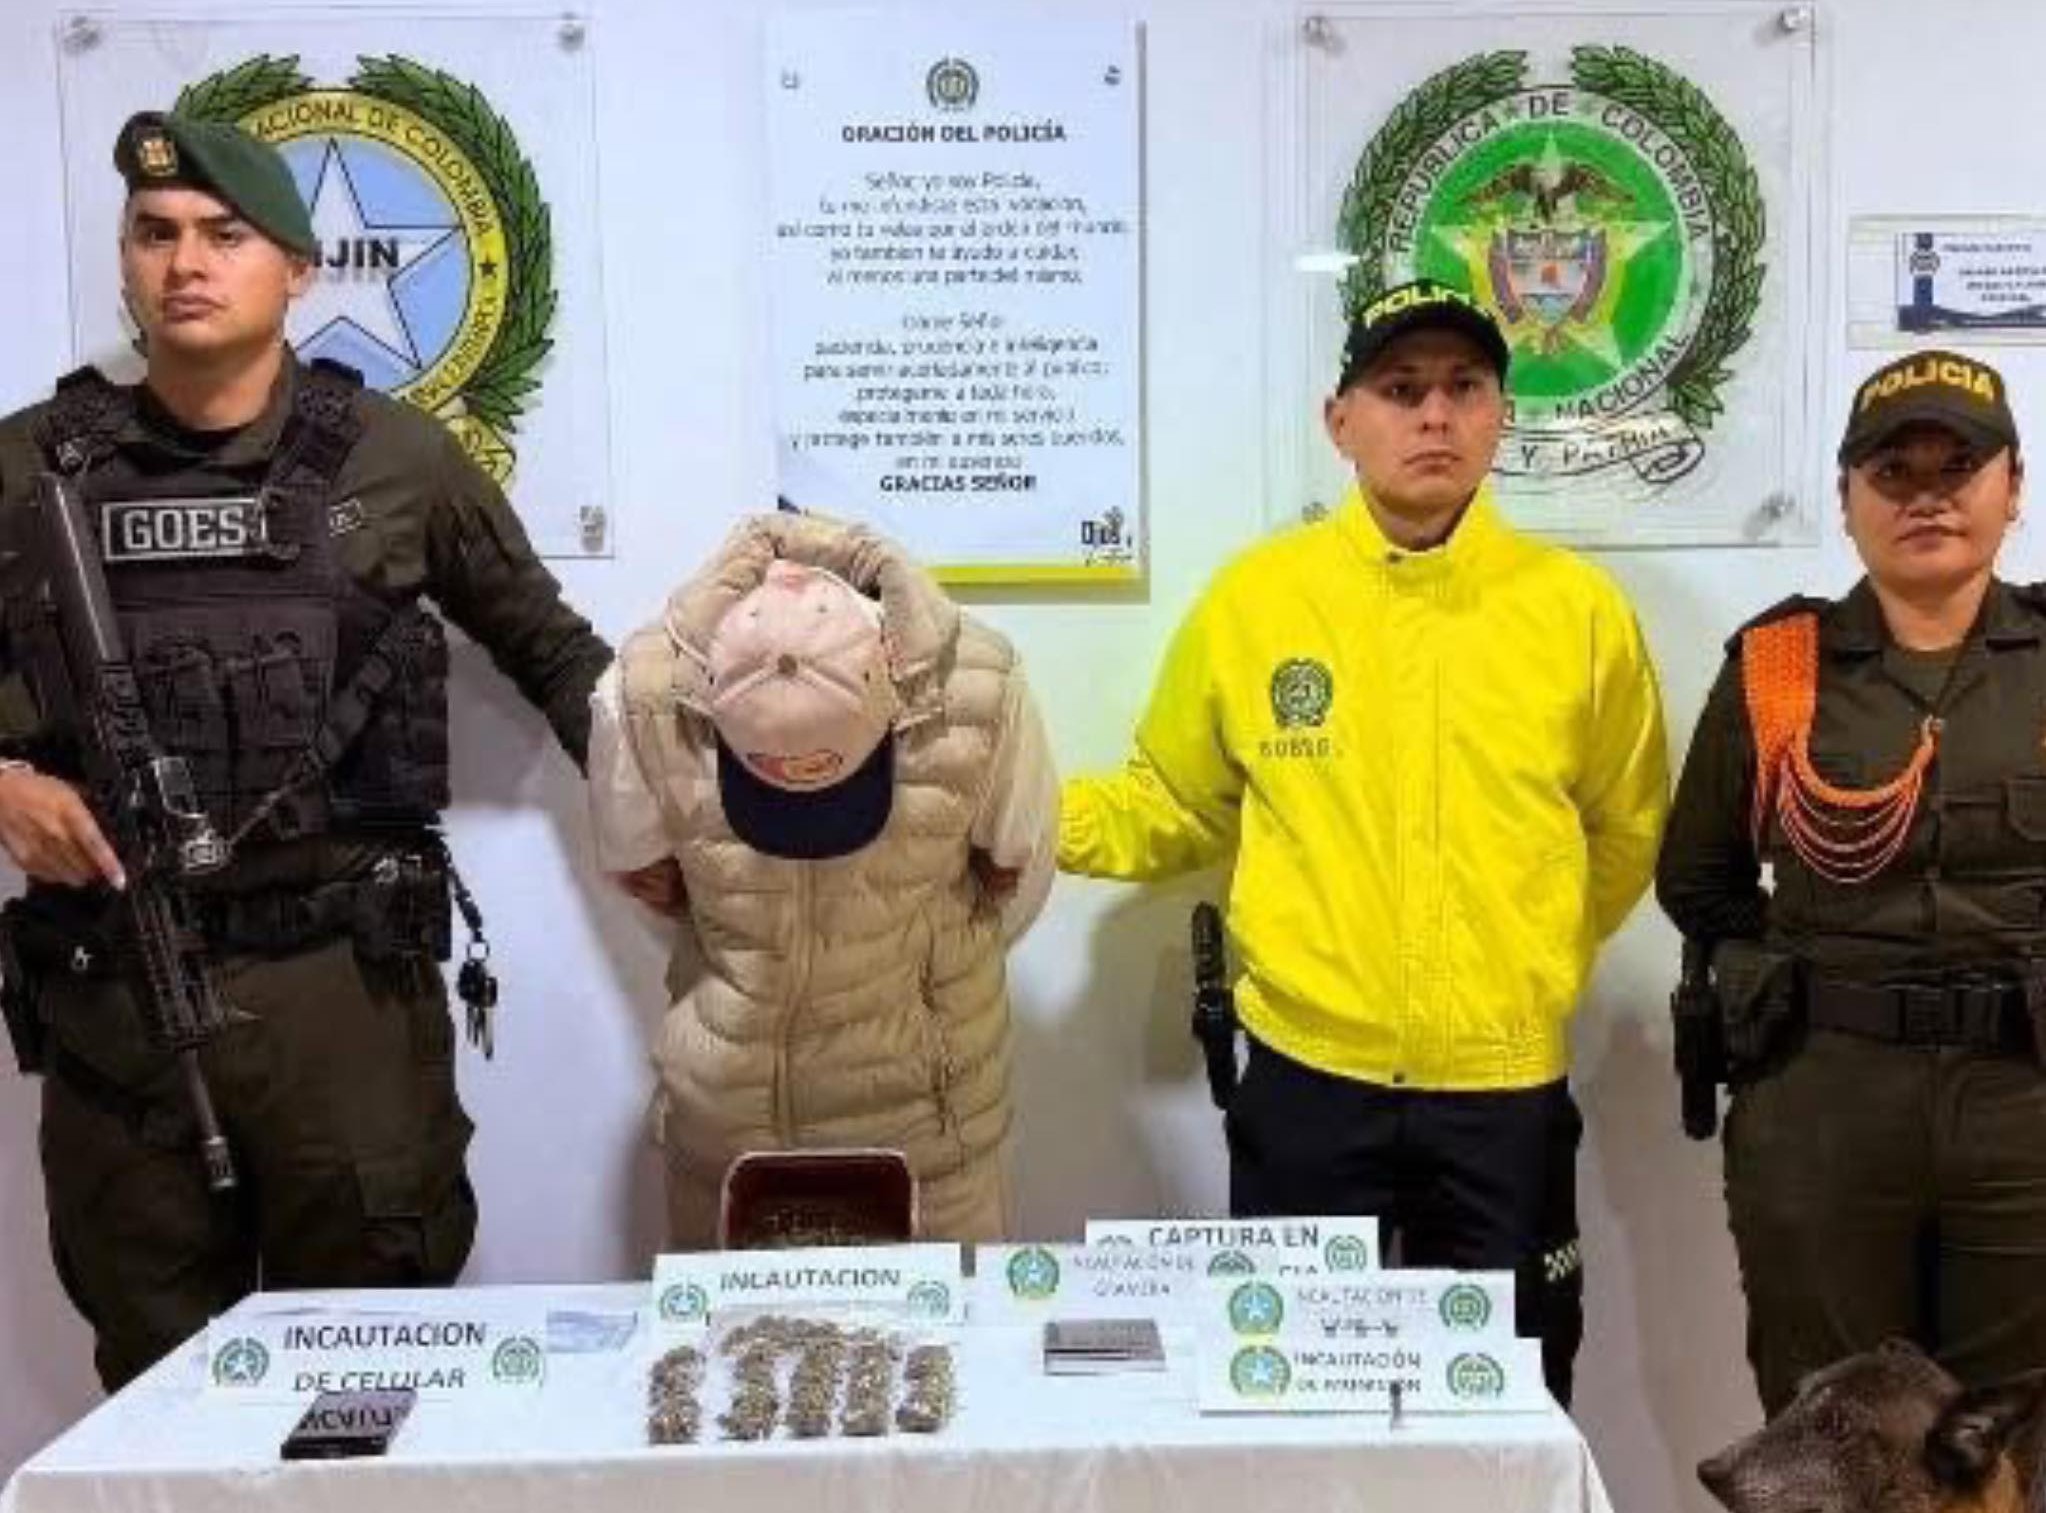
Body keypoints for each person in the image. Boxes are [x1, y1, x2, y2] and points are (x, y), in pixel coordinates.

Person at [0, 110, 612, 1389]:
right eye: (155, 234)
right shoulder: (27, 469)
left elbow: (560, 658)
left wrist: (684, 831)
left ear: (297, 268)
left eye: (224, 235)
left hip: (344, 996)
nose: (185, 262)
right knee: (160, 1393)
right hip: (118, 1002)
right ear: (124, 261)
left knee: (372, 1379)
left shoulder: (397, 458)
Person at [1059, 279, 1670, 1405]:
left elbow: (1627, 827)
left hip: (1501, 1094)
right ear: (1340, 421)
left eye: (1464, 387)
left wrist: (1524, 957)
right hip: (1308, 1084)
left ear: (1500, 416)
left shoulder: (1578, 614)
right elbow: (1174, 801)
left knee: (1507, 1404)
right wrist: (1019, 821)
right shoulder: (1258, 603)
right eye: (1400, 389)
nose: (1434, 414)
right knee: (1288, 1398)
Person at [1658, 349, 2046, 1416]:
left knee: (2013, 1427)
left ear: (2013, 485)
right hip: (1828, 1093)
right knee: (1831, 1423)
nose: (1927, 496)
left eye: (1957, 467)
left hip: (2024, 1095)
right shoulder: (1778, 667)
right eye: (1892, 471)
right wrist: (1815, 970)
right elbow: (1697, 877)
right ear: (1846, 498)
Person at [587, 511, 1058, 1247]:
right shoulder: (642, 693)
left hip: (932, 1149)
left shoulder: (979, 688)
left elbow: (1019, 875)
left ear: (891, 682)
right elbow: (646, 885)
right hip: (729, 1146)